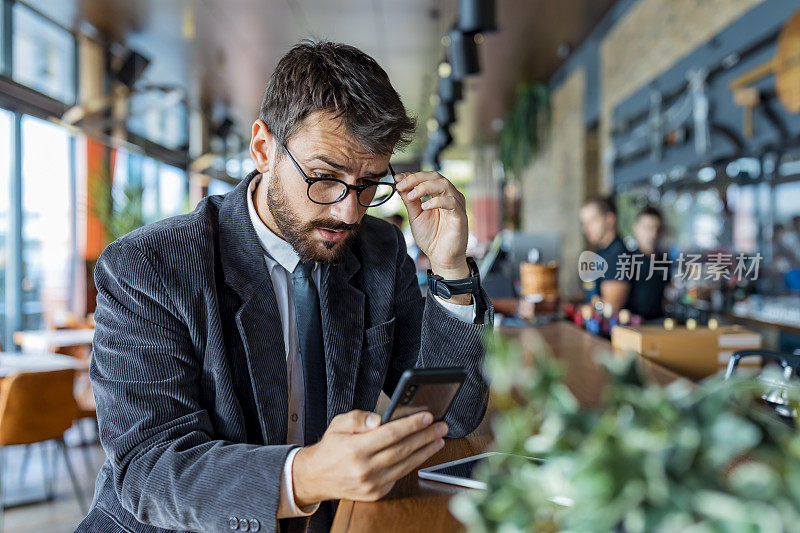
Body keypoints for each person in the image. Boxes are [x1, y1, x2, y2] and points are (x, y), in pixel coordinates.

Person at [78, 41, 492, 533]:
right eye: (324, 177)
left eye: (368, 185)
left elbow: (457, 416)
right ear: (263, 148)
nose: (348, 211)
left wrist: (449, 269)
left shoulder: (378, 250)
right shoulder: (149, 267)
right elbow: (149, 472)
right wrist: (305, 475)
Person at [579, 196, 630, 312]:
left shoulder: (617, 255)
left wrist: (580, 309)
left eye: (592, 221)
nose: (585, 229)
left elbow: (609, 309)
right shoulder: (602, 252)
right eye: (584, 223)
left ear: (609, 219)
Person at [627, 206, 668, 319]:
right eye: (648, 228)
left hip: (659, 323)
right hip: (632, 324)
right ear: (636, 228)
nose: (653, 234)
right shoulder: (627, 260)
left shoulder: (664, 260)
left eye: (657, 228)